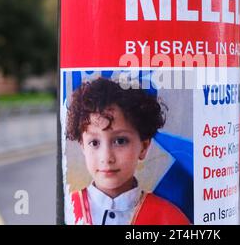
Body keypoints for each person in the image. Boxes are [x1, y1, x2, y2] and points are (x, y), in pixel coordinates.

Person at [66, 77, 190, 225]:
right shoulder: (67, 211)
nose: (106, 157)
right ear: (83, 146)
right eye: (94, 143)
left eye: (120, 141)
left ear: (144, 147)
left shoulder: (169, 218)